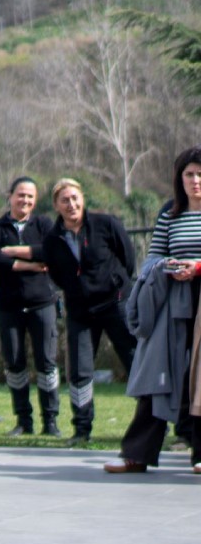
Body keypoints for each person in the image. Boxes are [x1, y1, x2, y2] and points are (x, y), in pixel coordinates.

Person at [111, 148, 201, 474]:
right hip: (173, 301)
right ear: (180, 178)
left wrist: (198, 267)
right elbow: (152, 257)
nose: (195, 181)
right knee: (157, 374)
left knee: (200, 379)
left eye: (200, 174)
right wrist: (167, 265)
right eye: (189, 174)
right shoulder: (169, 213)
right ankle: (137, 454)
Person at [43, 178, 136, 445]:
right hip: (80, 311)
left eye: (75, 198)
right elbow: (57, 275)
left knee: (135, 360)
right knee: (80, 369)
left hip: (115, 303)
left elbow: (128, 259)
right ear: (56, 206)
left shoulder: (106, 224)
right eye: (65, 200)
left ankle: (152, 423)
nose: (71, 204)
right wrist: (77, 289)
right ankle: (82, 428)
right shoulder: (52, 240)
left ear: (82, 199)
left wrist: (114, 284)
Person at [0, 177, 61, 437]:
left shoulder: (44, 224)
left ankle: (50, 421)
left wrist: (15, 251)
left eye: (30, 196)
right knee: (14, 363)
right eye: (20, 195)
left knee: (46, 362)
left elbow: (52, 251)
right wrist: (29, 264)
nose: (25, 200)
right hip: (9, 306)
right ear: (10, 196)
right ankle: (23, 420)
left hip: (42, 304)